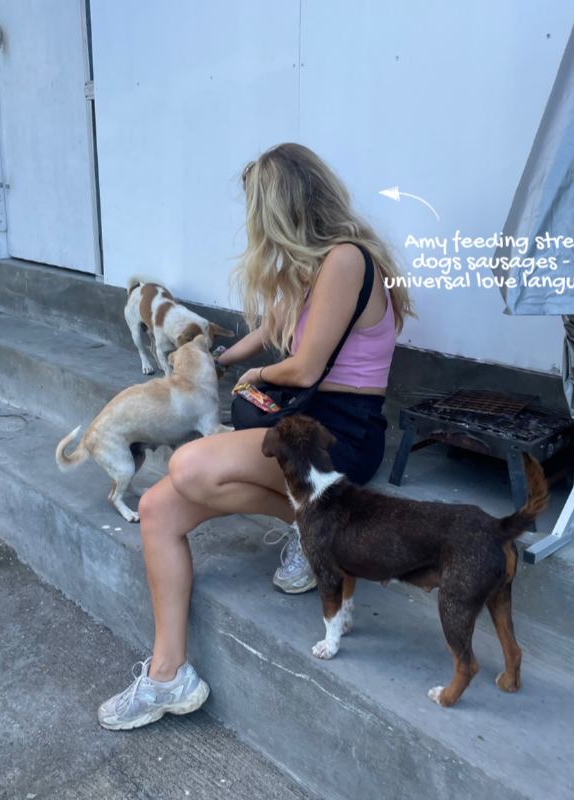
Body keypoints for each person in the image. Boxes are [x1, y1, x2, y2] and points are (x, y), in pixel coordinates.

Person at [98, 142, 414, 731]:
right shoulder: (311, 270)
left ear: (281, 207)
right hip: (303, 428)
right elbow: (267, 332)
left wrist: (254, 376)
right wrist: (211, 360)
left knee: (189, 466)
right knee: (158, 508)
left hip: (338, 436)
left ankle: (322, 527)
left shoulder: (346, 259)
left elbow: (305, 368)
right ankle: (169, 676)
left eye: (255, 207)